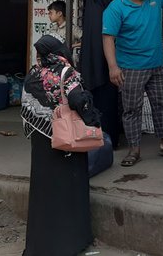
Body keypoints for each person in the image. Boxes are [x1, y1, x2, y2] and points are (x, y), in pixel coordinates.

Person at [20, 34, 101, 256]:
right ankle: (69, 244)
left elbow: (27, 104)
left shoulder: (33, 73)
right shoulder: (66, 72)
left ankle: (40, 246)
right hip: (65, 141)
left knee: (43, 194)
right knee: (68, 192)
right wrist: (93, 118)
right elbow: (78, 100)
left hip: (40, 140)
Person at [102, 0, 163, 167]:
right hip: (131, 68)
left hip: (157, 65)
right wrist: (113, 67)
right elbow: (108, 39)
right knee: (132, 109)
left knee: (161, 104)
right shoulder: (116, 8)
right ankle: (134, 149)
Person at [79, 0, 121, 148]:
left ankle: (99, 138)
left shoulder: (92, 12)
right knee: (106, 103)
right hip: (103, 67)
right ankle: (107, 139)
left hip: (95, 67)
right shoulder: (101, 13)